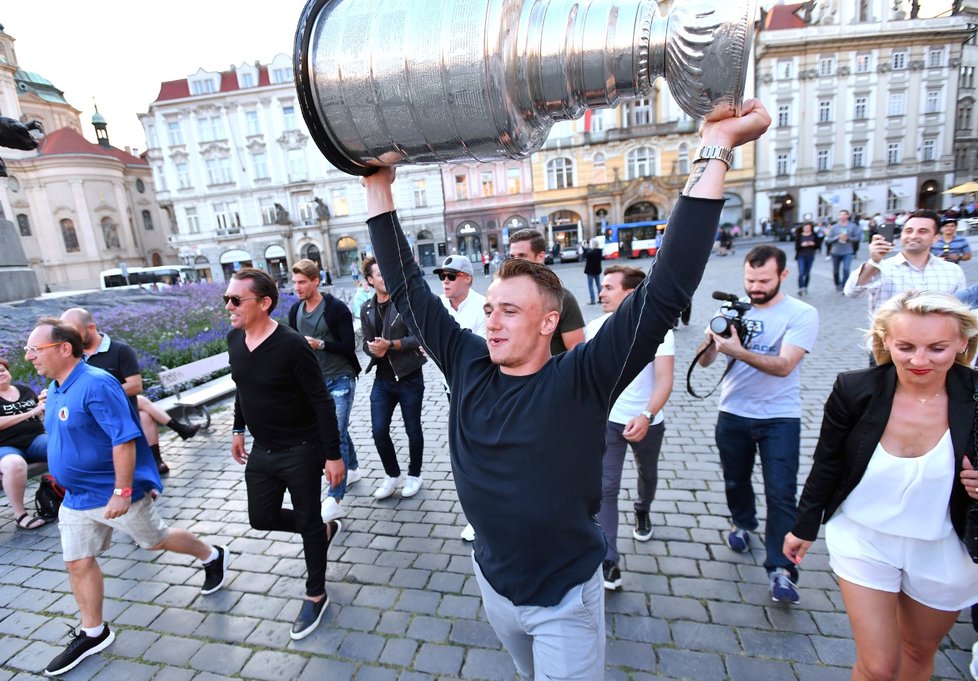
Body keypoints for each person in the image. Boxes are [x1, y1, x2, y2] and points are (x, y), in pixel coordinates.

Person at [359, 99, 770, 679]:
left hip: (564, 602)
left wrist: (716, 147)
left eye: (509, 312)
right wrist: (378, 184)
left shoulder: (581, 377)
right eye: (491, 309)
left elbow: (667, 287)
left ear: (549, 322)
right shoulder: (467, 360)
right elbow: (405, 285)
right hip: (493, 584)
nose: (492, 321)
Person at [784, 291, 978, 681]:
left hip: (946, 546)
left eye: (937, 348)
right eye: (905, 346)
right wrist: (804, 526)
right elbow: (828, 462)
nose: (919, 361)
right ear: (885, 341)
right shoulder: (855, 390)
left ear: (962, 343)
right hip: (864, 538)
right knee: (877, 666)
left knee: (917, 653)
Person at [26, 318, 227, 677]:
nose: (28, 357)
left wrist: (122, 491)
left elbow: (124, 438)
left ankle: (212, 555)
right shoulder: (55, 387)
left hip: (112, 493)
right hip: (75, 497)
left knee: (155, 541)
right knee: (78, 561)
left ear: (64, 349)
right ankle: (94, 632)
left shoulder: (97, 384)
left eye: (34, 350)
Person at [696, 245, 819, 604]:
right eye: (750, 279)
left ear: (784, 275)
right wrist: (712, 341)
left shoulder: (801, 313)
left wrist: (737, 352)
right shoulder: (732, 307)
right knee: (735, 479)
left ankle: (781, 569)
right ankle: (742, 523)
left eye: (763, 280)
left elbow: (784, 365)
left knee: (781, 493)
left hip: (780, 416)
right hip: (733, 411)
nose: (755, 287)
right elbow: (704, 364)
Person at [225, 268, 344, 640]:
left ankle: (316, 593)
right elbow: (242, 388)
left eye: (235, 300)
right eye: (226, 299)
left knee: (307, 520)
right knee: (260, 517)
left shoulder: (292, 344)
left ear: (264, 303)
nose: (228, 306)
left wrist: (333, 455)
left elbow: (321, 401)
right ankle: (321, 530)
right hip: (263, 450)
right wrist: (237, 428)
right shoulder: (235, 340)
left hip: (302, 450)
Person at [585, 265, 674, 590]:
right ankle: (609, 560)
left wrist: (648, 414)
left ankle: (642, 509)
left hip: (648, 421)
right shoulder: (596, 327)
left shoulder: (657, 330)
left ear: (630, 293)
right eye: (603, 286)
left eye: (609, 287)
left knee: (647, 475)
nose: (602, 293)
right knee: (606, 487)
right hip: (609, 422)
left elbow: (665, 380)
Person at [60, 309, 200, 476]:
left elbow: (135, 386)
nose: (70, 339)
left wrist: (97, 393)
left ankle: (156, 458)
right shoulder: (73, 358)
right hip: (92, 418)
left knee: (142, 409)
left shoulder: (120, 350)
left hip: (122, 413)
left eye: (74, 332)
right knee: (146, 415)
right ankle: (166, 446)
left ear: (91, 327)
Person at [288, 259, 362, 523]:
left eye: (302, 282)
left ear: (315, 281)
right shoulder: (295, 310)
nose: (296, 287)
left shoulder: (335, 308)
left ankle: (335, 497)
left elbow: (348, 346)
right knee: (337, 429)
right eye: (294, 282)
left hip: (341, 378)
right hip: (314, 384)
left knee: (336, 433)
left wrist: (319, 344)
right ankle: (352, 468)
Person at [360, 256, 427, 500]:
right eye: (379, 275)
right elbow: (366, 344)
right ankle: (392, 474)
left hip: (409, 376)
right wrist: (373, 349)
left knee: (413, 429)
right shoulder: (366, 308)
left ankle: (414, 474)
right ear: (370, 280)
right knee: (378, 430)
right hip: (383, 380)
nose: (385, 278)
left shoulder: (404, 303)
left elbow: (418, 337)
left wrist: (391, 344)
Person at [433, 254, 487, 542]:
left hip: (477, 389)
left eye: (451, 276)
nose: (445, 281)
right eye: (442, 276)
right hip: (449, 386)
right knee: (464, 453)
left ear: (467, 277)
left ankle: (481, 518)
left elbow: (483, 353)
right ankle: (477, 514)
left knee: (475, 453)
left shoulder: (482, 307)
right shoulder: (440, 306)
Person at [844, 209, 966, 320]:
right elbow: (852, 292)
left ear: (935, 238)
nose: (913, 236)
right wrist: (874, 261)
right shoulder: (882, 267)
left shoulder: (952, 271)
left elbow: (961, 315)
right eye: (908, 231)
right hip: (887, 343)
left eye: (922, 231)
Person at [508, 228, 585, 354]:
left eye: (522, 256)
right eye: (512, 256)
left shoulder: (563, 299)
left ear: (540, 257)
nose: (515, 262)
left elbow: (577, 353)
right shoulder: (505, 297)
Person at [0, 357, 48, 529]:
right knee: (14, 464)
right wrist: (30, 413)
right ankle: (20, 515)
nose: (1, 373)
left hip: (35, 440)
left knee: (60, 444)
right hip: (5, 446)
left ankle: (71, 493)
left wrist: (46, 402)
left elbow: (40, 413)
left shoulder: (24, 390)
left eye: (3, 370)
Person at [826, 210, 861, 292]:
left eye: (844, 215)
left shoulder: (853, 226)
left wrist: (848, 238)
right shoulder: (834, 227)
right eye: (841, 215)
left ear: (848, 216)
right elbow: (829, 240)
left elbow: (857, 238)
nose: (842, 217)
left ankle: (844, 285)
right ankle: (837, 284)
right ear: (839, 216)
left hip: (847, 251)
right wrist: (837, 237)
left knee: (846, 269)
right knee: (835, 270)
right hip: (836, 251)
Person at [794, 221, 818, 296]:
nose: (807, 229)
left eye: (808, 228)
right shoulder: (799, 236)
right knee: (801, 273)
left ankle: (805, 287)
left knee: (807, 273)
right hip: (801, 256)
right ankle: (800, 288)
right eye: (806, 227)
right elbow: (796, 247)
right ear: (803, 228)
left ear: (811, 228)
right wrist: (802, 245)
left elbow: (817, 246)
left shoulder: (814, 235)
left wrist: (813, 244)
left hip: (810, 255)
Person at [582, 238, 603, 305]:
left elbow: (585, 255)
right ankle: (601, 298)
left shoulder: (591, 252)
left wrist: (585, 248)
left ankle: (592, 300)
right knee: (598, 284)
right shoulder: (599, 251)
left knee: (590, 285)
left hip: (590, 271)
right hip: (597, 270)